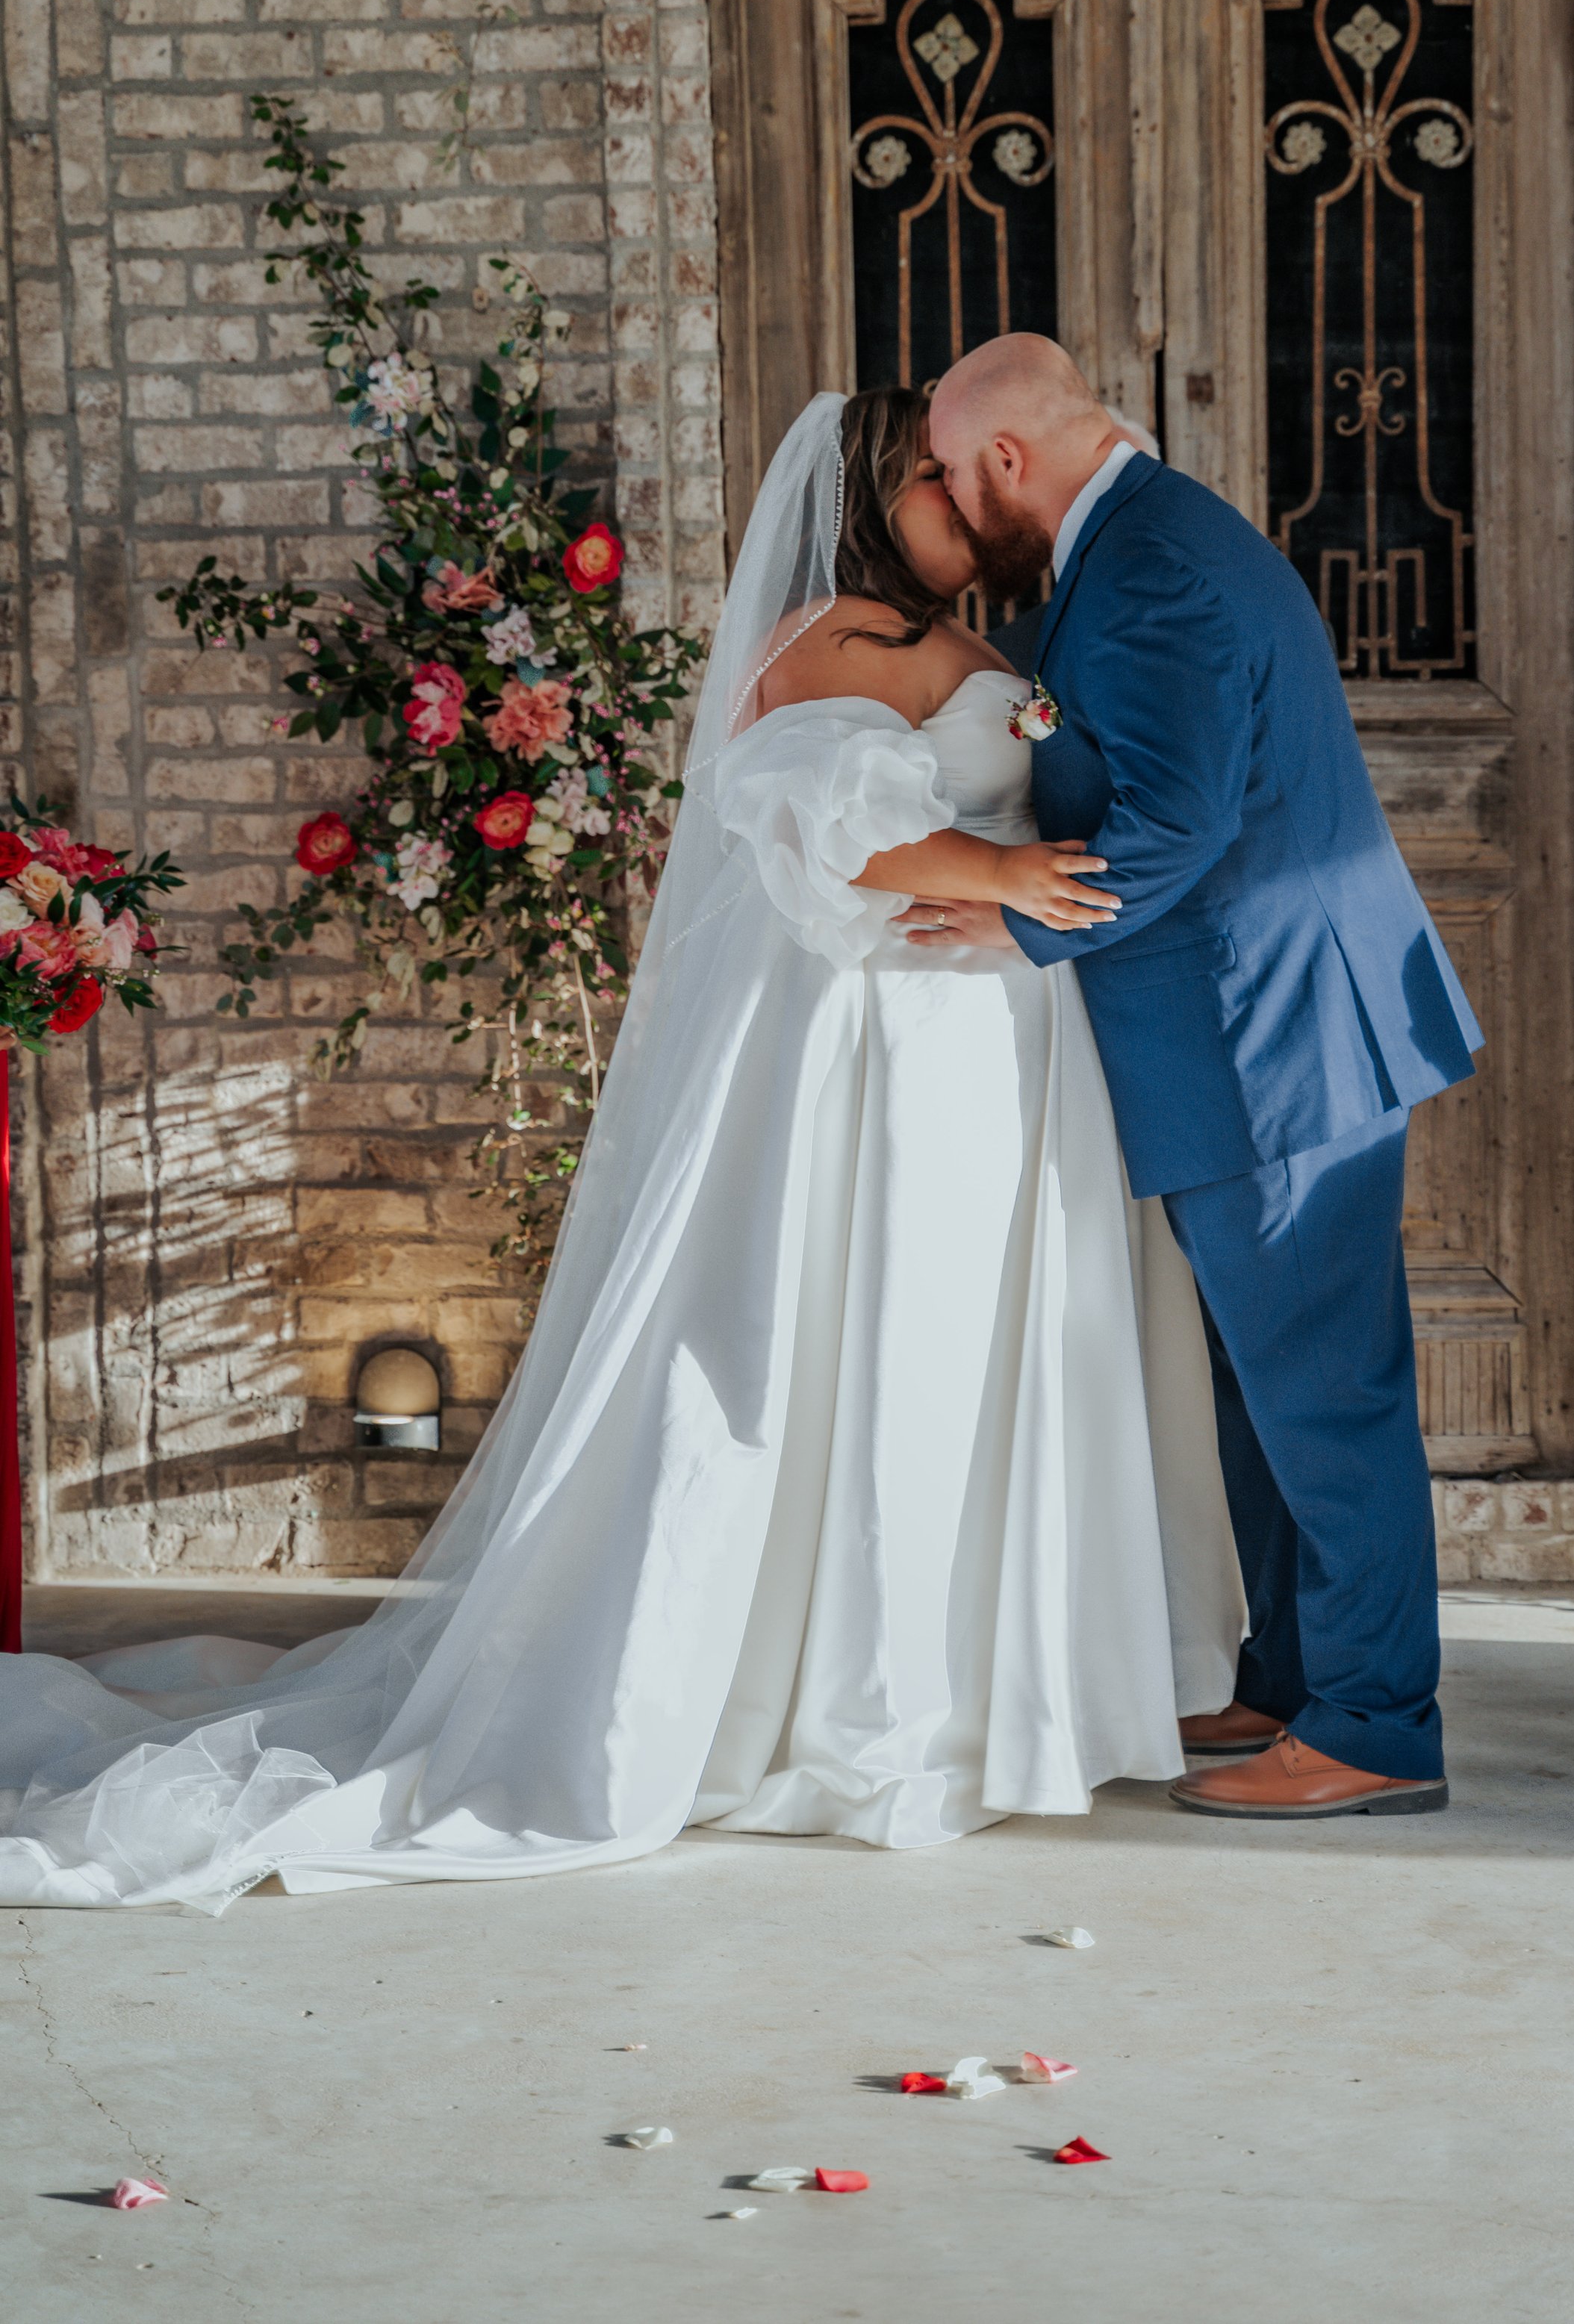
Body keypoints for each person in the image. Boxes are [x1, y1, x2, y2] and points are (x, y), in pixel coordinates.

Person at [0, 387, 1242, 1908]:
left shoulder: (983, 645)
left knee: (985, 1363)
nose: (967, 511)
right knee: (879, 1356)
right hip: (887, 1061)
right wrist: (1005, 870)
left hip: (997, 1060)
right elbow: (820, 825)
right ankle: (864, 1709)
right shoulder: (828, 641)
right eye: (935, 485)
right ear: (871, 494)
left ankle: (996, 1698)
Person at [923, 334, 1484, 1819]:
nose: (946, 502)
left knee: (1325, 1394)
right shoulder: (1142, 542)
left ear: (1000, 462)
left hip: (1268, 1038)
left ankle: (1373, 1727)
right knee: (1260, 1387)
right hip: (1254, 1034)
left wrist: (1003, 910)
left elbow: (1170, 821)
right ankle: (1293, 1676)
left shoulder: (1155, 566)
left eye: (944, 470)